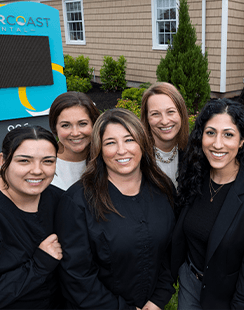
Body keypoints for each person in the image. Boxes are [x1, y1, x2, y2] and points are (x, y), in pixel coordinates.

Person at [56, 108, 176, 309]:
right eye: (110, 143)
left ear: (142, 143)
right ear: (99, 150)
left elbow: (169, 251)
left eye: (129, 140)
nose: (122, 150)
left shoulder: (162, 188)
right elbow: (77, 275)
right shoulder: (77, 201)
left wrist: (158, 298)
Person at [171, 98, 244, 309]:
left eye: (228, 134)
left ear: (242, 139)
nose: (217, 144)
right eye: (210, 133)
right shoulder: (195, 176)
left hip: (225, 297)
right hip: (189, 284)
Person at [0, 126, 63, 309]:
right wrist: (38, 266)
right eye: (24, 161)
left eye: (48, 161)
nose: (37, 171)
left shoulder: (60, 200)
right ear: (3, 160)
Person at [49, 91, 100, 190]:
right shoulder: (43, 164)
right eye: (66, 125)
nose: (75, 133)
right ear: (55, 128)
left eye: (82, 124)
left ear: (94, 124)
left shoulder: (106, 158)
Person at [141, 82, 189, 187]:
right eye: (155, 114)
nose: (164, 121)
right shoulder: (139, 156)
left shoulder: (194, 150)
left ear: (181, 113)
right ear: (147, 118)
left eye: (170, 112)